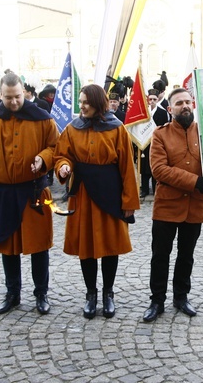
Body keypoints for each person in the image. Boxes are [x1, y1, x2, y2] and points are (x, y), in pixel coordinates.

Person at [0, 72, 58, 315]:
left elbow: (56, 147)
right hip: (3, 192)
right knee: (7, 245)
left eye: (17, 97)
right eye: (8, 98)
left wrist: (43, 159)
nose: (13, 102)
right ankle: (13, 294)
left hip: (36, 190)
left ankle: (41, 293)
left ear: (25, 93)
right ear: (0, 94)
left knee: (39, 245)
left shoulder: (43, 119)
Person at [54, 84, 139, 319]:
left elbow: (126, 168)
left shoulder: (117, 129)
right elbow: (62, 154)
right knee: (86, 246)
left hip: (110, 193)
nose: (81, 106)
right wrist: (63, 166)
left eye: (86, 102)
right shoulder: (72, 129)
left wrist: (129, 201)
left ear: (98, 103)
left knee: (110, 246)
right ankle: (91, 294)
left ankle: (108, 294)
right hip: (83, 194)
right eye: (80, 102)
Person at [142, 88, 203, 322]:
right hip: (167, 206)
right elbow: (159, 170)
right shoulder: (160, 135)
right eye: (179, 103)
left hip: (195, 206)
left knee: (186, 255)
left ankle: (181, 297)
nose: (185, 106)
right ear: (170, 109)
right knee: (160, 255)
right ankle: (157, 300)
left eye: (188, 102)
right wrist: (194, 181)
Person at [139, 89, 171, 198]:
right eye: (150, 99)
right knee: (144, 167)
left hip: (156, 143)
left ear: (157, 100)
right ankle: (144, 190)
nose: (152, 101)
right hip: (144, 143)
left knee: (155, 166)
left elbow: (165, 129)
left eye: (154, 99)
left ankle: (156, 188)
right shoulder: (143, 112)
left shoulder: (162, 112)